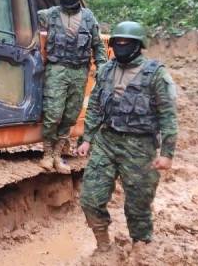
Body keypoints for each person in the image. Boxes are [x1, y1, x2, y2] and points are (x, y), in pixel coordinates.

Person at [76, 21, 178, 255]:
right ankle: (103, 245)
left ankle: (140, 249)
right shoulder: (105, 71)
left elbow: (168, 116)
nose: (121, 46)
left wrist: (167, 154)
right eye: (117, 43)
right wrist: (87, 138)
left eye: (127, 43)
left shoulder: (156, 75)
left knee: (138, 204)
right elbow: (94, 107)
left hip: (140, 146)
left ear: (138, 45)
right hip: (107, 141)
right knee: (90, 198)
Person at [37, 0, 107, 174]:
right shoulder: (49, 15)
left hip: (79, 71)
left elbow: (97, 45)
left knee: (70, 115)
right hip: (57, 69)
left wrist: (102, 66)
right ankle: (48, 154)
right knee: (52, 113)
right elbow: (23, 17)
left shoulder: (88, 18)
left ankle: (58, 155)